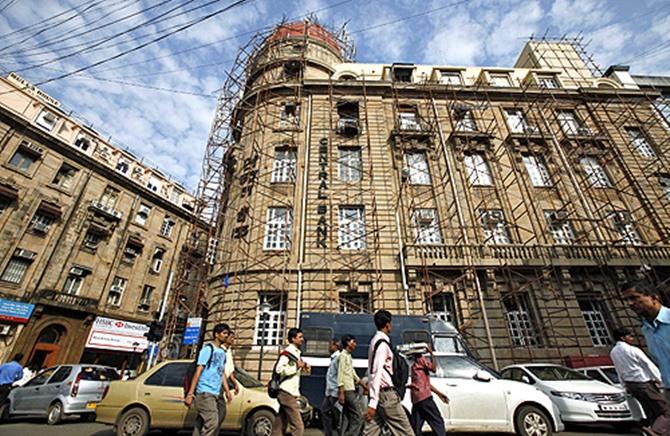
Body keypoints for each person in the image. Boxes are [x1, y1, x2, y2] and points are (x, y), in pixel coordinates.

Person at [610, 327, 670, 435]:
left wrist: (624, 385)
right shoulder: (632, 350)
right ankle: (654, 431)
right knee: (665, 410)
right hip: (643, 383)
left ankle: (655, 430)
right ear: (623, 338)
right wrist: (659, 379)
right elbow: (647, 364)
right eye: (630, 336)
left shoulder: (613, 352)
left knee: (650, 410)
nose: (632, 338)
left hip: (631, 385)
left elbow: (619, 370)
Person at [363, 310, 413, 436]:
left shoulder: (375, 341)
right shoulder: (382, 345)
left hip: (380, 395)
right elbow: (376, 372)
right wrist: (373, 403)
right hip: (386, 397)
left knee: (370, 433)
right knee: (406, 432)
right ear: (388, 324)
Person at [622, 281, 670, 403]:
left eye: (634, 298)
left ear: (654, 298)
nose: (630, 304)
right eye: (627, 300)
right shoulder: (646, 329)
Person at [184, 323, 232, 436]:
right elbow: (198, 371)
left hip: (215, 393)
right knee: (212, 422)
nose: (226, 336)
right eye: (224, 333)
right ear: (216, 334)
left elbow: (221, 373)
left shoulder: (222, 353)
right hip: (205, 392)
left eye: (227, 334)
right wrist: (190, 394)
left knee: (201, 423)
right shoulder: (207, 350)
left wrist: (227, 390)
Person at [271, 327, 309, 436]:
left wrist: (301, 367)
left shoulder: (296, 353)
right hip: (286, 392)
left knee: (280, 423)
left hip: (289, 392)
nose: (302, 339)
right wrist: (296, 367)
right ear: (293, 339)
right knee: (298, 426)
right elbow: (279, 369)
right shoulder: (288, 352)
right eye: (300, 337)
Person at [407, 345, 448, 436]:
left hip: (416, 399)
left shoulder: (414, 365)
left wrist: (439, 394)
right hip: (425, 398)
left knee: (416, 426)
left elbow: (425, 383)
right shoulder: (421, 359)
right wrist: (432, 354)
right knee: (437, 421)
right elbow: (433, 369)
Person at [337, 334, 366, 436]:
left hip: (350, 388)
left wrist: (363, 385)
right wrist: (341, 392)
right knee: (358, 416)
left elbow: (353, 373)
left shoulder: (348, 356)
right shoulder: (342, 356)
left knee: (347, 416)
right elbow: (340, 374)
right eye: (353, 342)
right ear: (348, 343)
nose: (355, 344)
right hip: (347, 390)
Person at [321, 339, 341, 436]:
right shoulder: (333, 358)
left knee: (337, 415)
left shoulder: (338, 358)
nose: (329, 347)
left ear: (335, 346)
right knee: (324, 411)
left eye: (330, 345)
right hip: (329, 392)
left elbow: (340, 375)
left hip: (334, 392)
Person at [223, 330, 240, 397]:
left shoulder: (229, 350)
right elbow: (221, 371)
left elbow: (230, 370)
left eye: (234, 338)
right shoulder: (221, 350)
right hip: (217, 383)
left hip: (223, 383)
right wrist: (227, 390)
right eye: (231, 337)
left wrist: (235, 383)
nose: (233, 339)